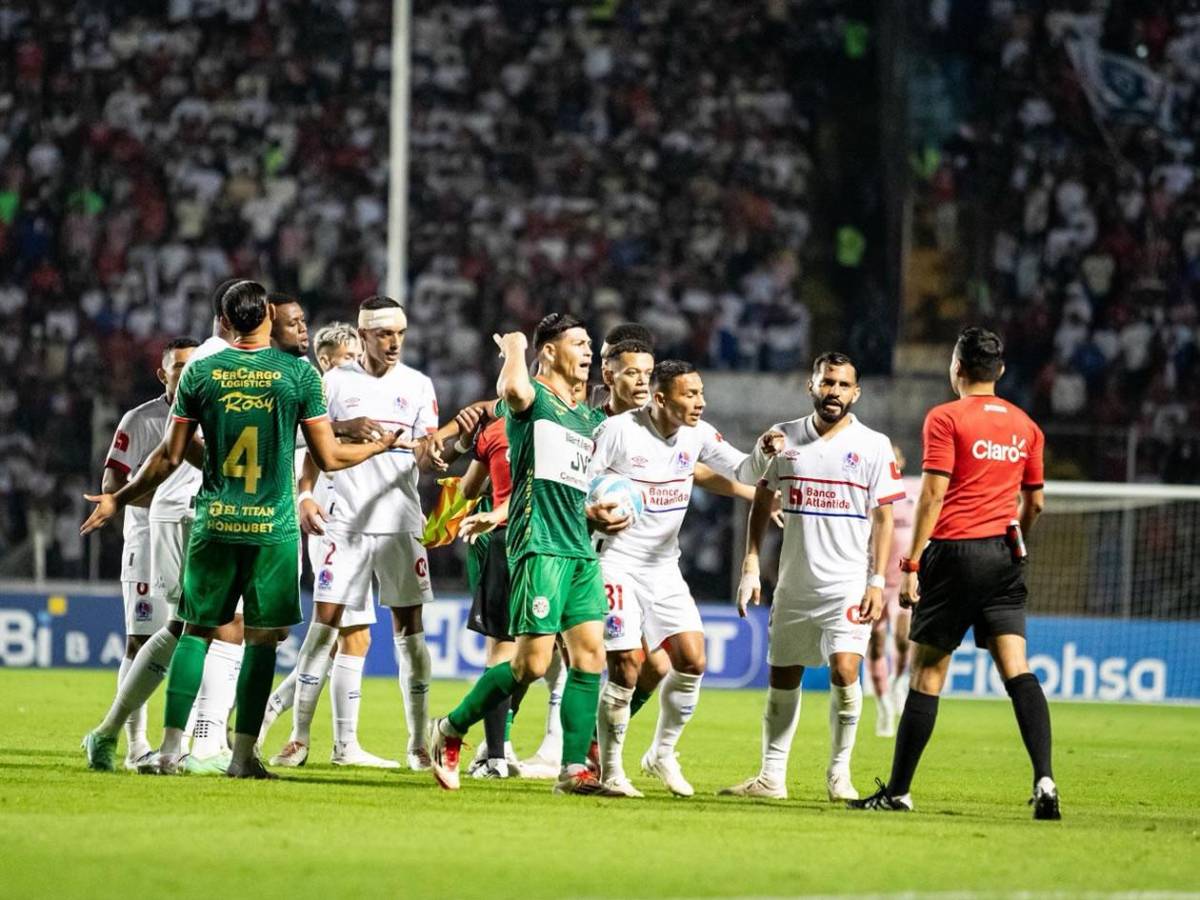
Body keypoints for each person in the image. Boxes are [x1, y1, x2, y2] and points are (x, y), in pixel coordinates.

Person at [80, 280, 411, 778]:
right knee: (260, 638)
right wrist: (378, 446)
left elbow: (170, 454)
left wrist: (118, 498)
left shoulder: (202, 371)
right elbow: (328, 456)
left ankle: (170, 748)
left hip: (213, 520)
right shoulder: (297, 374)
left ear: (226, 322)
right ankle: (238, 756)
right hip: (271, 527)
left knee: (193, 630)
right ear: (266, 320)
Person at [849, 327, 1061, 819]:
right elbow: (1037, 503)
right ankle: (1045, 780)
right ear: (1000, 371)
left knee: (927, 672)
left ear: (956, 368)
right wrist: (1018, 540)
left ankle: (899, 790)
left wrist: (912, 563)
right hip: (1004, 556)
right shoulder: (1026, 425)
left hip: (954, 554)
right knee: (1018, 669)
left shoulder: (946, 417)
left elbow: (932, 495)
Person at [427, 312, 630, 794]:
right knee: (531, 665)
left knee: (589, 658)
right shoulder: (531, 401)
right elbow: (513, 388)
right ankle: (450, 728)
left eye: (589, 345)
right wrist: (516, 345)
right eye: (579, 344)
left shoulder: (584, 417)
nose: (587, 351)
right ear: (549, 352)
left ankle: (573, 769)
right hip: (537, 544)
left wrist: (597, 511)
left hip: (579, 548)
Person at [721, 351, 902, 801]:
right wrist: (750, 562)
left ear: (856, 392)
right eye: (827, 383)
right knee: (783, 678)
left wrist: (877, 581)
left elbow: (884, 518)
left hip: (846, 585)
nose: (834, 392)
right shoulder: (782, 437)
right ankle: (771, 778)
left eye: (843, 385)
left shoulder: (874, 445)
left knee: (845, 671)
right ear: (811, 386)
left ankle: (839, 774)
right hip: (794, 584)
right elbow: (757, 494)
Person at [277, 296, 445, 770]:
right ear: (364, 334)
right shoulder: (331, 381)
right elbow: (311, 445)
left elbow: (424, 450)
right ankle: (299, 737)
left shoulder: (418, 385)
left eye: (400, 335)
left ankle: (416, 744)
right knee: (324, 627)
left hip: (398, 522)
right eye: (384, 335)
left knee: (410, 633)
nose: (393, 344)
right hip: (343, 521)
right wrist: (305, 495)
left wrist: (432, 458)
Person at [591, 359, 762, 797]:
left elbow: (745, 470)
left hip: (664, 566)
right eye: (690, 395)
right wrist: (592, 511)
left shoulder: (697, 435)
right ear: (661, 398)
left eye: (701, 393)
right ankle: (610, 771)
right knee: (628, 666)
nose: (700, 402)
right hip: (616, 562)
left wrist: (768, 450)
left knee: (692, 659)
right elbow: (578, 483)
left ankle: (660, 754)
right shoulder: (619, 432)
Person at [257, 323, 400, 767]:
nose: (352, 364)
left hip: (351, 523)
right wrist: (304, 496)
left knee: (348, 639)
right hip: (330, 524)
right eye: (344, 357)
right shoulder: (318, 396)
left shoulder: (351, 399)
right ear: (324, 361)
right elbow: (311, 459)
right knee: (340, 634)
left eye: (356, 356)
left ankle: (301, 727)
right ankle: (316, 738)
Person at [99, 338, 195, 768]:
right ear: (164, 374)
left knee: (192, 637)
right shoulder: (141, 419)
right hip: (146, 543)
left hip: (196, 539)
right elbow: (110, 484)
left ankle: (191, 739)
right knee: (141, 640)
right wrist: (162, 498)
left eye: (195, 366)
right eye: (179, 367)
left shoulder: (210, 415)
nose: (187, 373)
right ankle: (136, 742)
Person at [868, 445, 919, 737]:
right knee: (875, 642)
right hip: (876, 581)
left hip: (903, 580)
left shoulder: (914, 487)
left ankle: (900, 681)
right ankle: (884, 705)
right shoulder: (871, 492)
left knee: (902, 637)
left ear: (901, 461)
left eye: (895, 456)